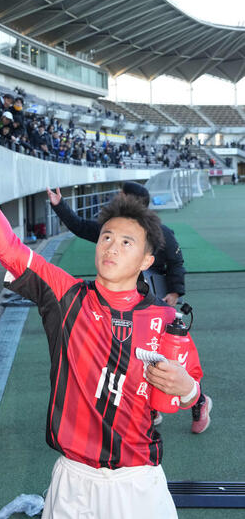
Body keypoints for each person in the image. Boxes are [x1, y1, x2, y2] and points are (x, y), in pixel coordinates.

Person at [0, 121, 203, 519]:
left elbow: (191, 389)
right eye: (106, 237)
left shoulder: (165, 319)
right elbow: (8, 246)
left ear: (147, 260)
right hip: (72, 482)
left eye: (127, 242)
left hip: (140, 482)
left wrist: (189, 388)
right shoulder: (66, 296)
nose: (111, 246)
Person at [46, 181, 212, 434]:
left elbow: (177, 263)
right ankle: (149, 408)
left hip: (155, 307)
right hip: (125, 309)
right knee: (133, 361)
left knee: (169, 363)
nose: (113, 244)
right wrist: (60, 206)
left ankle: (199, 402)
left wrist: (174, 292)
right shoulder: (112, 230)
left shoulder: (161, 233)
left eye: (121, 195)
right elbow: (80, 227)